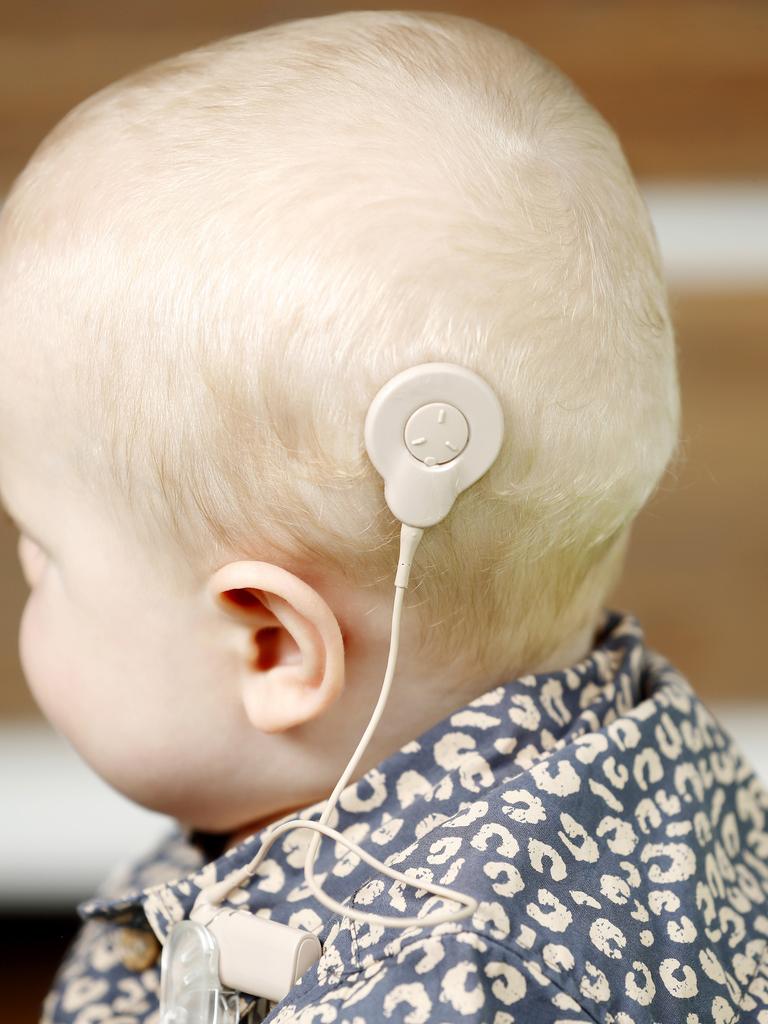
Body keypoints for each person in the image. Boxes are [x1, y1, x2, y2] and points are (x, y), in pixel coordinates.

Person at [0, 9, 766, 1023]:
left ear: (272, 644)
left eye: (45, 554)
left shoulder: (433, 989)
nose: (23, 567)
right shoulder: (655, 775)